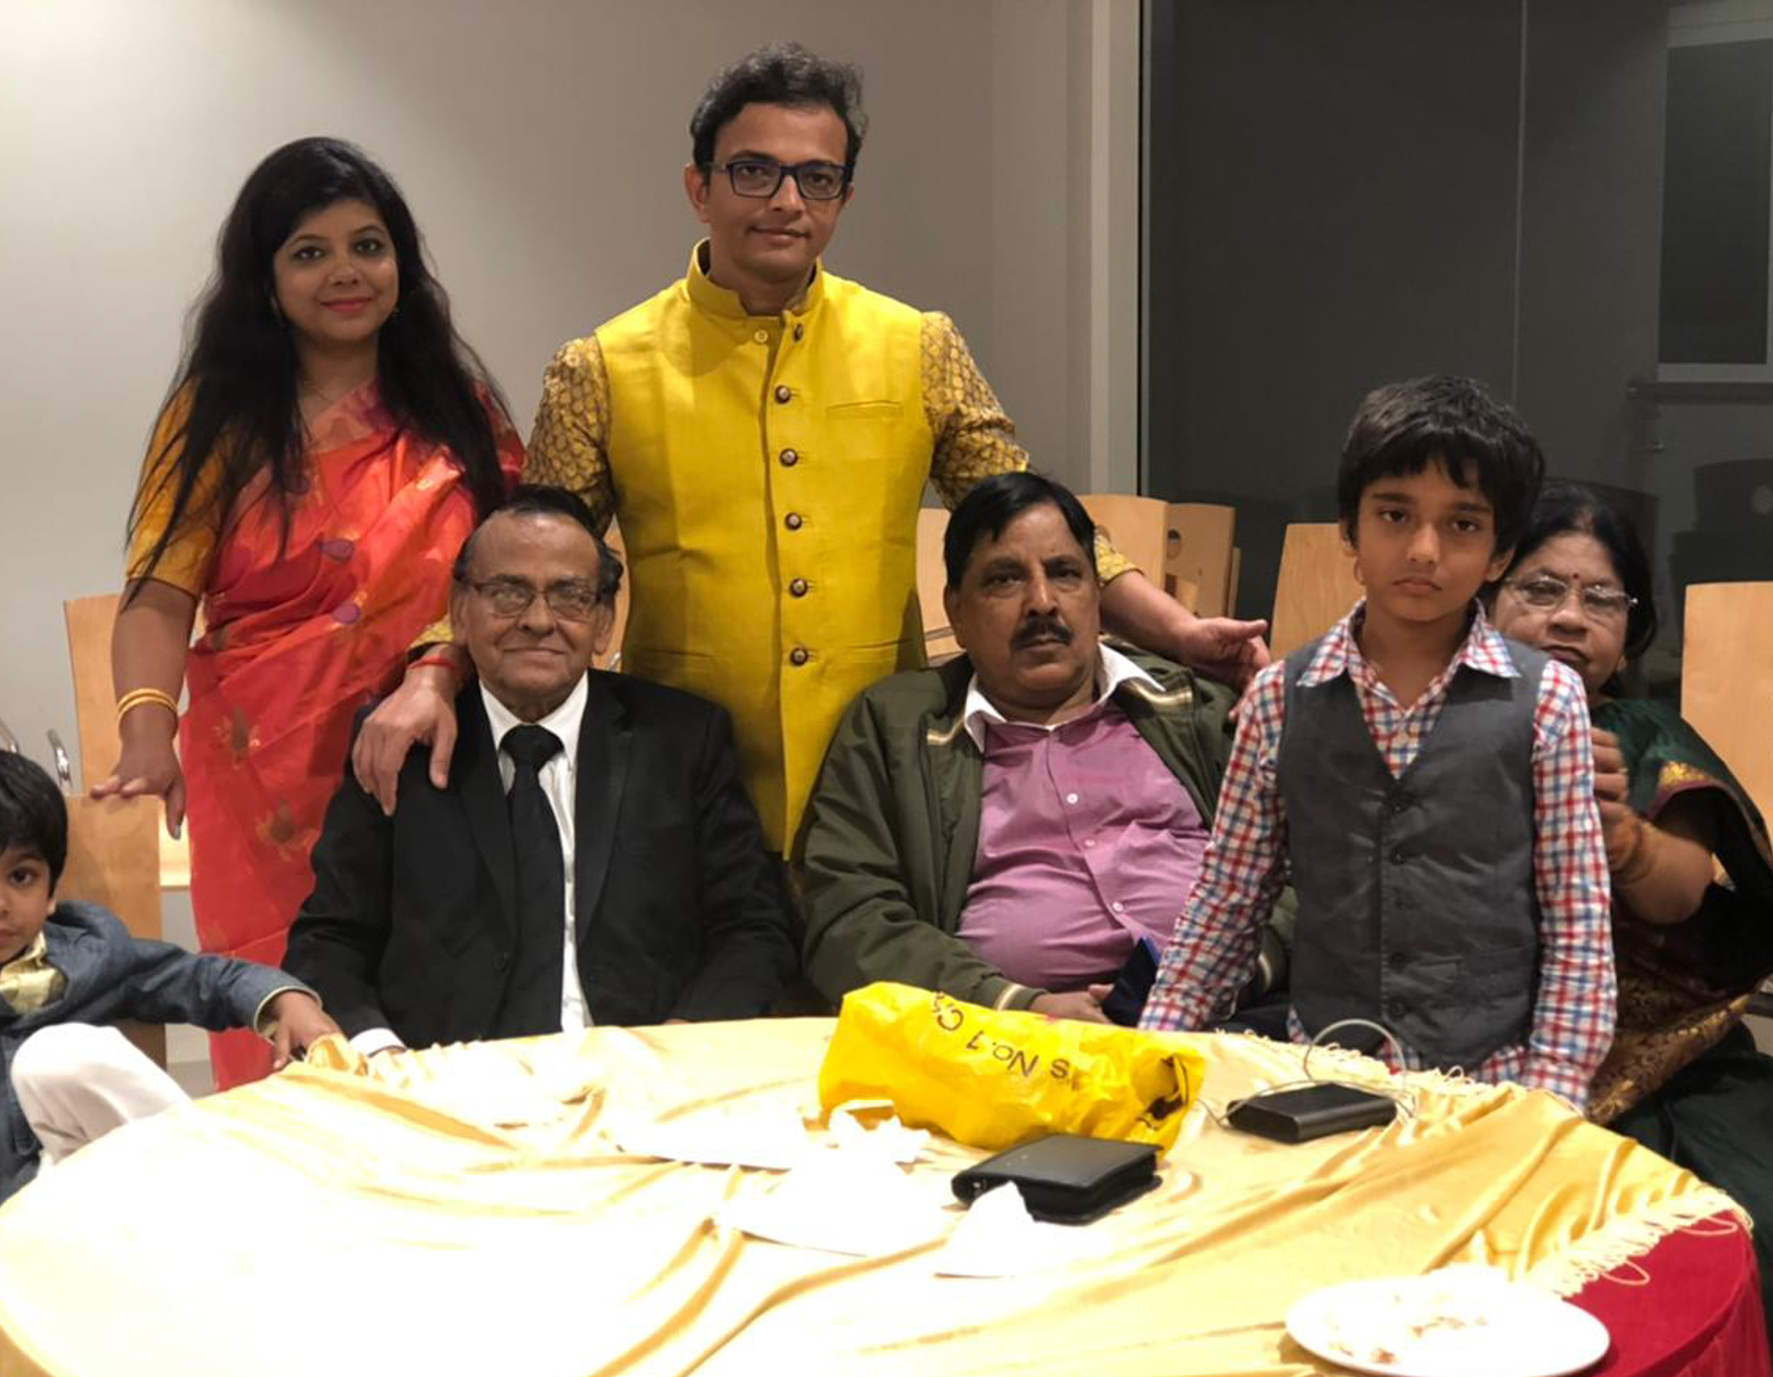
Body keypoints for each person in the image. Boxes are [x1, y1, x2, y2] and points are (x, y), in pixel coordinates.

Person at [352, 43, 1266, 857]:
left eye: (816, 178)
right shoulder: (605, 365)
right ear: (697, 186)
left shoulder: (917, 344)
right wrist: (437, 669)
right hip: (682, 770)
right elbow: (525, 558)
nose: (787, 201)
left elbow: (1032, 521)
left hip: (892, 767)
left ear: (843, 197)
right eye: (754, 171)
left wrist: (1180, 632)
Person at [93, 137, 521, 1089]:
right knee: (287, 1015)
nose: (345, 272)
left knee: (440, 1006)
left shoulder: (459, 407)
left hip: (437, 743)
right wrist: (147, 730)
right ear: (265, 278)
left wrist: (438, 666)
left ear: (401, 264)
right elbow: (161, 594)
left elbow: (512, 573)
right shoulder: (218, 418)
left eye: (368, 245)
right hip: (267, 776)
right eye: (309, 251)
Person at [1141, 376, 1617, 1111]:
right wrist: (1155, 1063)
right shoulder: (1278, 700)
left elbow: (1578, 925)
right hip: (1322, 1076)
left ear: (1500, 553)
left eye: (1462, 524)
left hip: (1493, 1087)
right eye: (1395, 514)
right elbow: (1227, 904)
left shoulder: (1548, 700)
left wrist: (1547, 1107)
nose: (1424, 549)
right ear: (1349, 530)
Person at [0, 751, 337, 1303]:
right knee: (56, 1053)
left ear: (50, 892)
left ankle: (219, 1212)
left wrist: (286, 999)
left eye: (20, 876)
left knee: (63, 1056)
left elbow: (201, 978)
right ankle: (226, 1218)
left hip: (107, 1205)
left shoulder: (93, 949)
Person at [285, 488, 794, 1049]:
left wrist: (678, 1047)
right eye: (508, 592)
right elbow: (330, 940)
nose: (538, 620)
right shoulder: (396, 746)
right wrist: (386, 1059)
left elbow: (752, 929)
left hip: (641, 1083)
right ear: (458, 611)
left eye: (571, 596)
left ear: (603, 622)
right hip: (444, 1088)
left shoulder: (681, 741)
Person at [794, 472, 1288, 1018]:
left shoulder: (1194, 707)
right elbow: (849, 918)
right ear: (956, 611)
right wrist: (1021, 1007)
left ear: (1099, 596)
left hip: (1230, 1021)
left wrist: (1234, 973)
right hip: (999, 1048)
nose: (1042, 603)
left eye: (1065, 573)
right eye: (1004, 579)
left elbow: (1320, 861)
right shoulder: (896, 730)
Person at [1488, 482, 1773, 1332]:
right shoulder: (1436, 722)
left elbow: (1683, 889)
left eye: (1600, 597)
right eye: (1541, 588)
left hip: (1651, 1058)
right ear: (1487, 598)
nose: (1570, 617)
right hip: (1460, 1040)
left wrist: (1618, 837)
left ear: (1631, 630)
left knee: (1719, 1242)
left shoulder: (1640, 732)